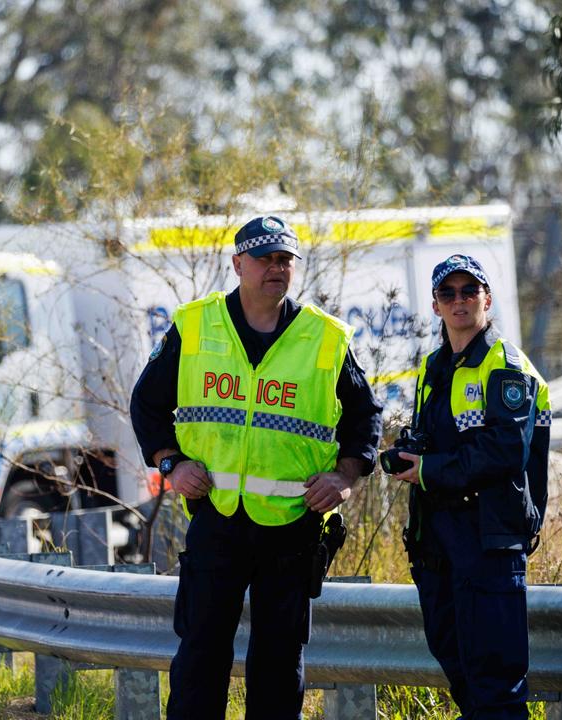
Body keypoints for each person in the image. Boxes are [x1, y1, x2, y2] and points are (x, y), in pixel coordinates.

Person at [130, 215, 382, 719]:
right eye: (265, 258)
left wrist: (345, 477)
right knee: (201, 657)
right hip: (217, 518)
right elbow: (147, 405)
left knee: (277, 663)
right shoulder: (196, 325)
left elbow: (365, 418)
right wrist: (170, 463)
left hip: (292, 527)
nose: (276, 268)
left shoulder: (325, 338)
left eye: (285, 259)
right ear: (237, 264)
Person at [389, 254, 550, 719]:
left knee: (496, 687)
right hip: (438, 547)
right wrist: (408, 456)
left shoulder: (505, 365)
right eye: (448, 293)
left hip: (489, 543)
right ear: (436, 306)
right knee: (461, 676)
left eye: (469, 291)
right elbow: (437, 441)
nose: (459, 301)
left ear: (487, 299)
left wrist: (427, 470)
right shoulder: (433, 368)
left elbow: (504, 452)